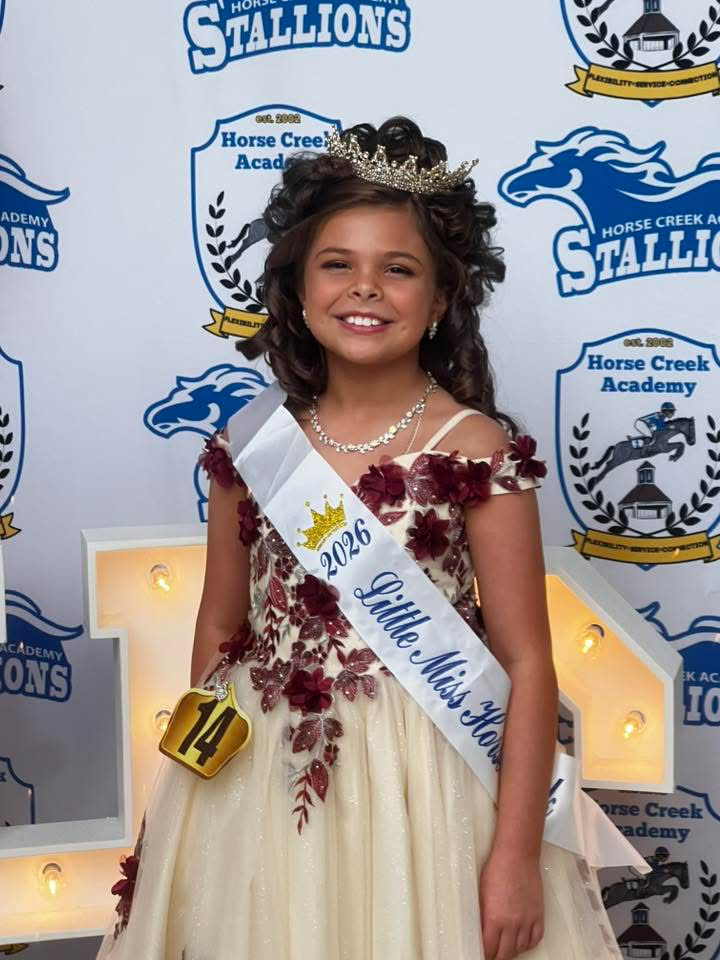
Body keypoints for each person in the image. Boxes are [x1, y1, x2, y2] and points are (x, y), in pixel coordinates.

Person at [97, 117, 622, 960]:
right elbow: (221, 626)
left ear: (441, 299)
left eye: (398, 269)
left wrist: (517, 855)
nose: (365, 289)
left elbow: (527, 663)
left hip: (424, 784)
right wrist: (188, 804)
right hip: (258, 776)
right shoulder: (254, 445)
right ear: (300, 290)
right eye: (337, 265)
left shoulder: (473, 447)